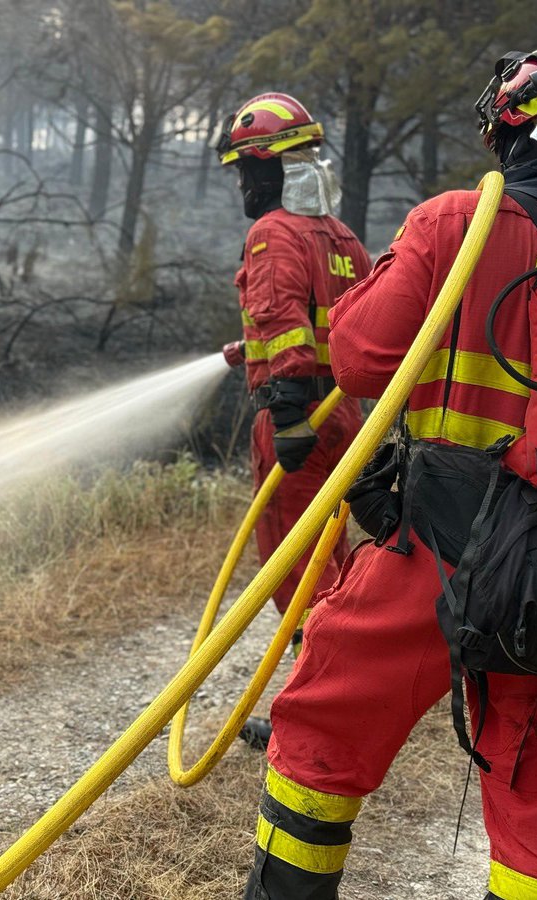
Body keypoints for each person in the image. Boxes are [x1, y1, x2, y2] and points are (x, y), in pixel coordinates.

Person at [244, 36, 537, 900]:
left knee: (325, 731)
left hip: (435, 554)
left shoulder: (455, 225)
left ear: (512, 128)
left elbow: (360, 358)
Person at [216, 92, 371, 666]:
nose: (243, 184)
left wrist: (284, 411)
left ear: (270, 167)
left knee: (294, 557)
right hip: (342, 414)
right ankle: (342, 668)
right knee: (328, 549)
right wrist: (251, 351)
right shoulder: (342, 236)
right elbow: (333, 322)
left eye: (246, 169)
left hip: (297, 416)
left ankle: (320, 685)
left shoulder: (272, 233)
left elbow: (281, 317)